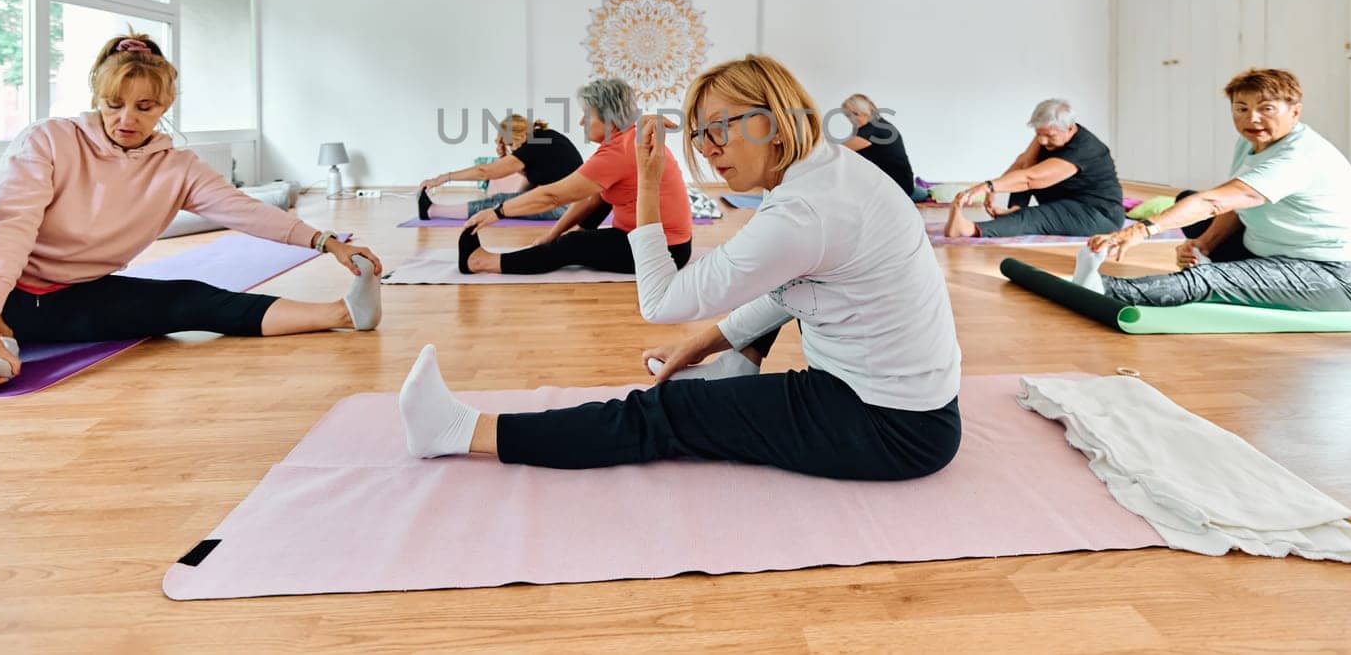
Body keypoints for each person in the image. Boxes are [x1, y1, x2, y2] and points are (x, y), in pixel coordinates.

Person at [401, 54, 963, 482]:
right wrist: (698, 348)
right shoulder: (826, 171)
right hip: (916, 405)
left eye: (721, 126)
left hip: (889, 425)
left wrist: (647, 182)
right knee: (765, 299)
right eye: (698, 132)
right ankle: (734, 372)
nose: (708, 146)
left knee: (664, 413)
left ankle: (460, 430)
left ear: (774, 120)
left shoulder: (803, 212)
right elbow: (786, 293)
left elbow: (660, 303)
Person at [0, 34, 385, 393]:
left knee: (188, 299)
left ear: (165, 106)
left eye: (144, 107)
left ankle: (342, 314)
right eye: (114, 104)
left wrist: (327, 242)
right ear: (97, 96)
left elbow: (244, 211)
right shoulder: (48, 139)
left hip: (58, 305)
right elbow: (13, 232)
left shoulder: (177, 167)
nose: (126, 119)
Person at [1068, 68, 1351, 311]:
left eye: (1266, 109)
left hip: (1330, 273)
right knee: (1188, 202)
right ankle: (1216, 262)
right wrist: (1204, 244)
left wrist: (1139, 231)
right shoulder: (1251, 142)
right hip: (1269, 249)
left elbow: (1217, 201)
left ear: (1294, 112)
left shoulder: (1299, 157)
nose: (1251, 118)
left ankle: (1103, 289)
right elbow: (1237, 204)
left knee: (1205, 278)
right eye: (1241, 108)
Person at [455, 79, 694, 276]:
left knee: (572, 246)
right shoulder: (628, 140)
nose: (581, 122)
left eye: (587, 115)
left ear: (609, 117)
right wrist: (551, 235)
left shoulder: (621, 150)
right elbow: (593, 201)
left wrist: (497, 212)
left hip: (664, 251)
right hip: (658, 243)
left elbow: (552, 196)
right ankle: (549, 246)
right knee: (576, 233)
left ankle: (481, 263)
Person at [944, 98, 1124, 239]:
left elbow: (1032, 179)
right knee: (1026, 174)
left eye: (1049, 136)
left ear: (1069, 129)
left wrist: (988, 187)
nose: (1043, 141)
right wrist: (1000, 196)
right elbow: (1024, 164)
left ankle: (968, 229)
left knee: (1034, 217)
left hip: (1097, 214)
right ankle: (1013, 212)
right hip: (1063, 201)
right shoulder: (1047, 137)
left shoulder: (1085, 149)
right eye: (1038, 134)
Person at [416, 115, 583, 221]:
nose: (512, 149)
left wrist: (443, 178)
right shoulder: (544, 137)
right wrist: (516, 198)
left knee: (498, 203)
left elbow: (484, 172)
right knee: (504, 199)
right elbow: (532, 183)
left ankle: (432, 211)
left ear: (520, 135)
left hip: (567, 208)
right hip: (571, 203)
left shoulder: (533, 145)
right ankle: (433, 210)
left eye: (511, 144)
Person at [840, 94, 928, 202]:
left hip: (898, 188)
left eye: (849, 116)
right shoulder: (878, 124)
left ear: (859, 112)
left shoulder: (873, 129)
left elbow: (839, 149)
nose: (850, 120)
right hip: (902, 184)